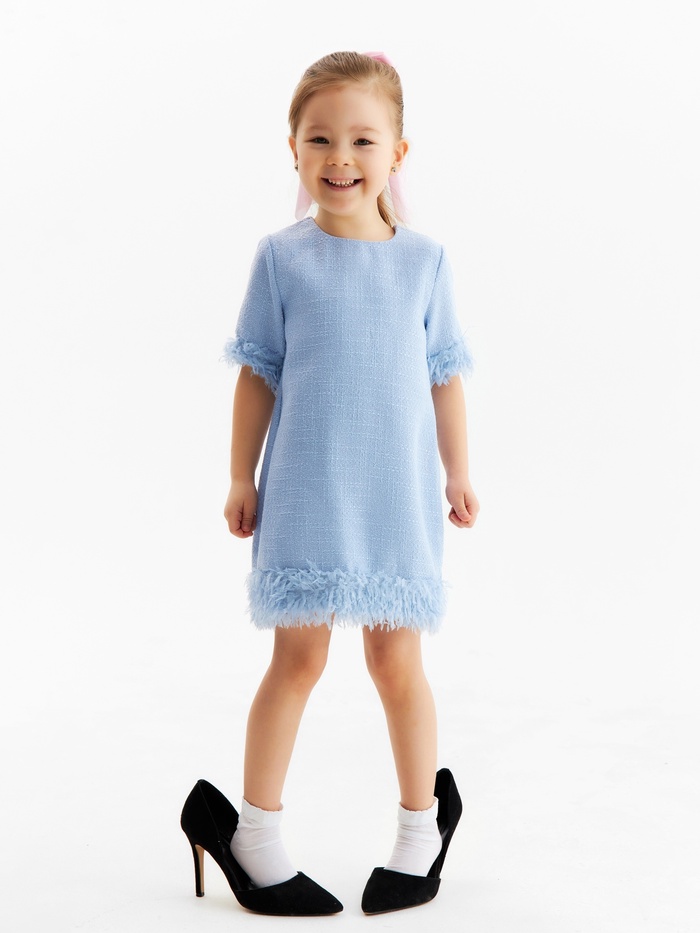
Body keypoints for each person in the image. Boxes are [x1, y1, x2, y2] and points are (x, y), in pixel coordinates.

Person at [180, 50, 479, 917]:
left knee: (396, 660)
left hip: (395, 496)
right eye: (319, 139)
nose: (340, 157)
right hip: (308, 491)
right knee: (298, 659)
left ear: (397, 152)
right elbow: (258, 373)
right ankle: (255, 836)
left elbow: (445, 376)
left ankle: (421, 831)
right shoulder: (283, 259)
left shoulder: (424, 262)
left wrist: (458, 471)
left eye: (361, 140)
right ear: (294, 150)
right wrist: (239, 474)